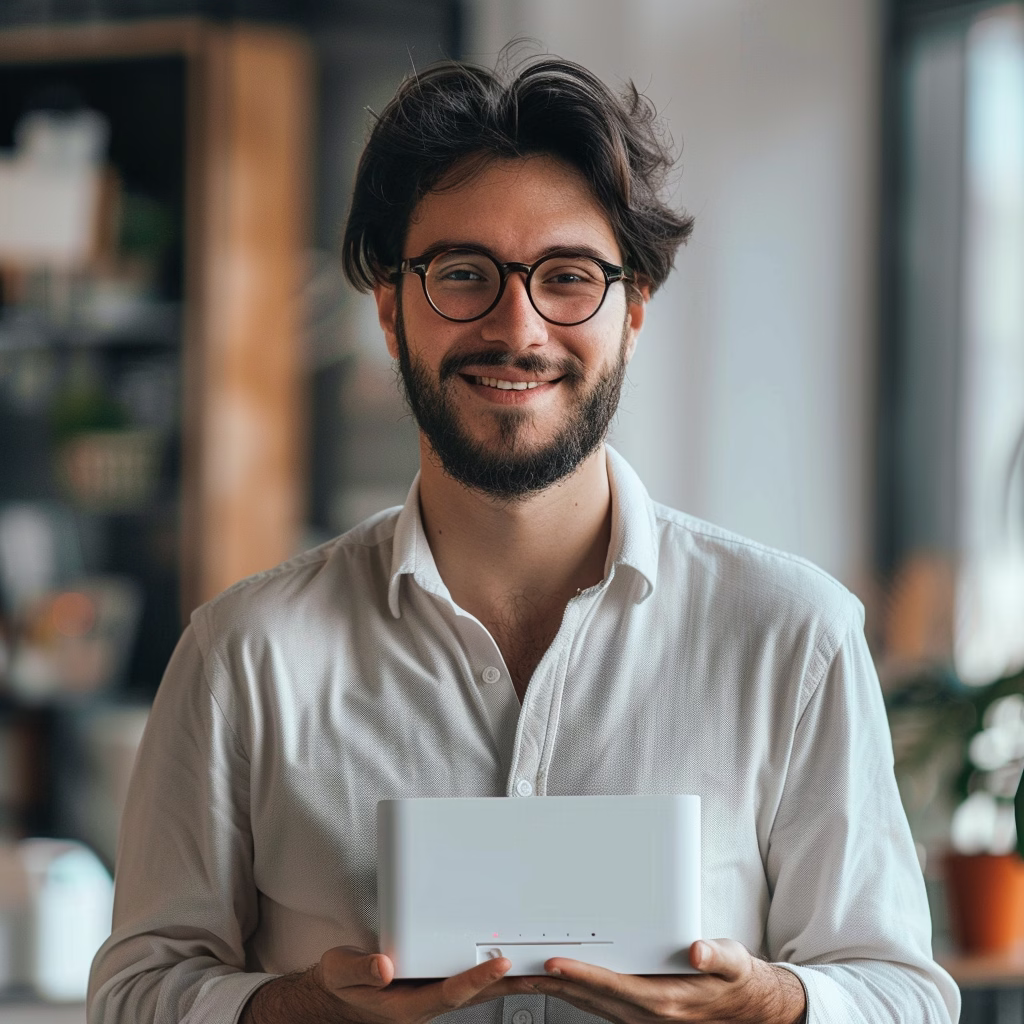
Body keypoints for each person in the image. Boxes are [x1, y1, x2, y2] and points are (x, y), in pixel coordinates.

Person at [88, 54, 959, 1024]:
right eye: (463, 273)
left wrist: (774, 1004)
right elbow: (133, 994)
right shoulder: (243, 652)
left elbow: (901, 993)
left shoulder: (791, 633)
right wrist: (299, 1007)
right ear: (389, 307)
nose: (518, 326)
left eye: (568, 277)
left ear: (632, 311)